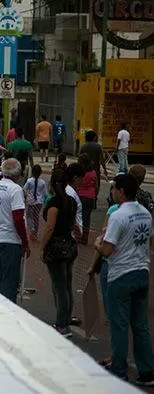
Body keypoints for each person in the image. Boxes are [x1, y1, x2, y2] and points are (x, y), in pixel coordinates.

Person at [95, 173, 154, 385]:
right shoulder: (145, 213)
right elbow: (150, 242)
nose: (111, 192)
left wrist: (97, 245)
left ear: (121, 191)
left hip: (120, 274)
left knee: (119, 325)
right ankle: (147, 371)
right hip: (142, 271)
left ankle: (119, 369)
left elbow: (108, 250)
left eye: (113, 189)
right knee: (140, 325)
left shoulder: (118, 216)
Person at [0, 158, 30, 303]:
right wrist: (25, 242)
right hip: (11, 240)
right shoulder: (16, 190)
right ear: (17, 173)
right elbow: (18, 218)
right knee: (10, 283)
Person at [41, 169, 78, 337]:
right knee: (67, 284)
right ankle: (65, 319)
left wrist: (42, 247)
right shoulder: (71, 201)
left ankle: (62, 324)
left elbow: (49, 228)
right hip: (69, 245)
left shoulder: (53, 204)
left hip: (56, 247)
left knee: (59, 286)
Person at [76, 155, 99, 244]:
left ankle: (78, 236)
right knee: (87, 218)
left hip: (80, 196)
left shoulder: (80, 173)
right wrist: (95, 195)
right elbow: (96, 186)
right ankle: (85, 238)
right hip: (90, 197)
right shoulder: (93, 172)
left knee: (78, 217)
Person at [23, 164, 47, 241]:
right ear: (40, 173)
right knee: (36, 217)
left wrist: (26, 195)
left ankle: (32, 229)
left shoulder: (29, 181)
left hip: (30, 201)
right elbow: (45, 194)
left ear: (32, 172)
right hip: (39, 202)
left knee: (29, 216)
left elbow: (24, 189)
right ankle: (35, 233)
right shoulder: (42, 182)